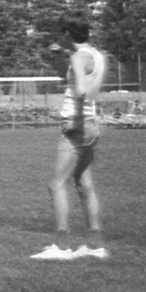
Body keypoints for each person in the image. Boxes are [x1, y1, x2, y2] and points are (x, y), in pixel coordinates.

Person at [33, 16, 109, 260]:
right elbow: (72, 79)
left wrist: (75, 107)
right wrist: (59, 60)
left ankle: (62, 246)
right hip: (90, 124)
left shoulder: (78, 57)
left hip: (77, 125)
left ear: (67, 33)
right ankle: (95, 245)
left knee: (55, 184)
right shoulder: (94, 55)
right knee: (84, 186)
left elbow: (80, 89)